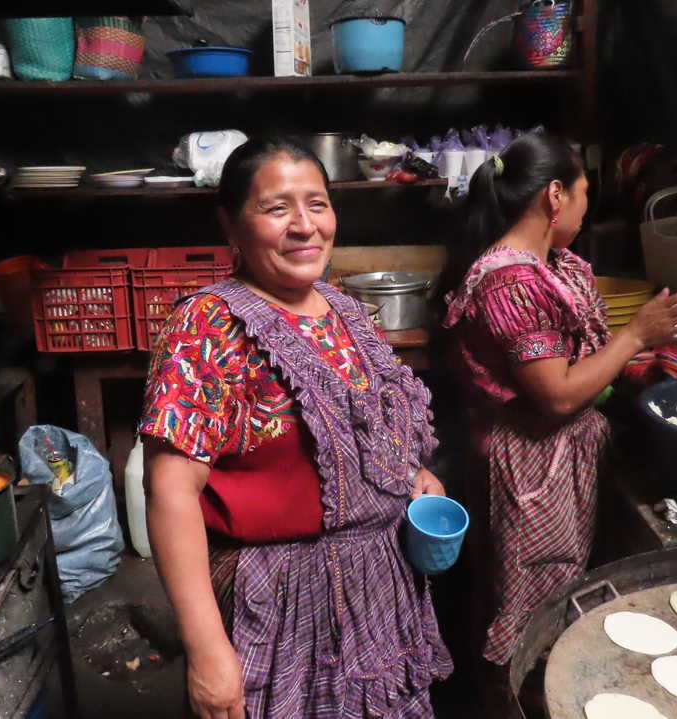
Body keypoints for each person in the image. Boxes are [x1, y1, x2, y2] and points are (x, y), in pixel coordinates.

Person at [139, 135, 453, 719]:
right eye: (276, 208)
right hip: (281, 599)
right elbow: (169, 492)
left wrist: (409, 474)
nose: (305, 226)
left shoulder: (344, 310)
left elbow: (366, 425)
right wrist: (208, 651)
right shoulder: (207, 328)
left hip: (379, 583)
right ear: (230, 227)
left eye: (317, 203)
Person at [441, 133, 677, 676]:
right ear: (555, 196)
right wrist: (637, 335)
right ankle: (515, 699)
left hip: (554, 461)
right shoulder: (512, 283)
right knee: (529, 611)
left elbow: (589, 360)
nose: (584, 207)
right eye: (582, 194)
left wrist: (675, 329)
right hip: (531, 469)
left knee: (551, 594)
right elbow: (557, 395)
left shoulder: (553, 267)